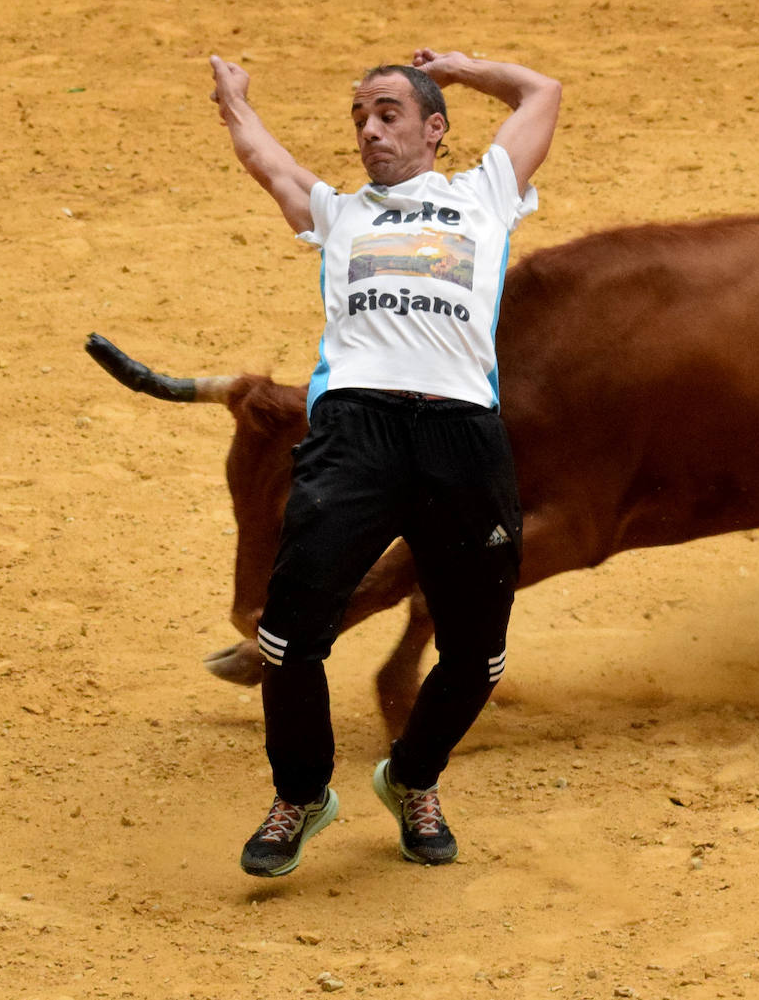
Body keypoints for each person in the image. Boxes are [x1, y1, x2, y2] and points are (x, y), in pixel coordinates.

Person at [207, 47, 561, 876]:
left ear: (435, 130)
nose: (369, 129)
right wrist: (235, 101)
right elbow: (263, 157)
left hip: (462, 436)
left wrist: (465, 67)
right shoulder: (338, 213)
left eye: (388, 113)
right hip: (355, 435)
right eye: (359, 117)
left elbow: (542, 91)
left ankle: (413, 780)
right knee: (288, 635)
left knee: (478, 655)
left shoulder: (486, 192)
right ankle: (300, 795)